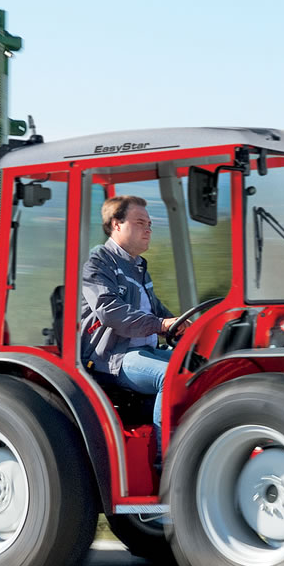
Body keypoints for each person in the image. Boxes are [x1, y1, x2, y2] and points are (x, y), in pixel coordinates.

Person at [81, 195, 180, 457]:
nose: (148, 229)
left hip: (144, 351)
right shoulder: (98, 263)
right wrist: (160, 324)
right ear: (117, 224)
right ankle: (167, 462)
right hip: (114, 356)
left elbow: (156, 309)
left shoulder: (137, 267)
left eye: (149, 224)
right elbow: (111, 312)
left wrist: (181, 325)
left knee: (200, 368)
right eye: (140, 222)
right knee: (169, 376)